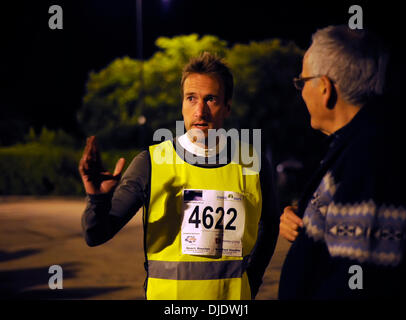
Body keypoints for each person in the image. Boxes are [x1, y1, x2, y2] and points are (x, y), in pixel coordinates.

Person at [79, 52, 280, 300]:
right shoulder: (150, 163)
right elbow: (96, 235)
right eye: (191, 98)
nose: (200, 111)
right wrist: (97, 200)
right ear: (182, 104)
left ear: (227, 106)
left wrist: (252, 281)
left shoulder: (253, 162)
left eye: (211, 99)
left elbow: (269, 226)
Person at [278, 25, 406, 299]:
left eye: (302, 82)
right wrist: (308, 217)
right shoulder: (355, 147)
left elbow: (356, 280)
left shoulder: (370, 157)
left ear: (325, 88)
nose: (301, 92)